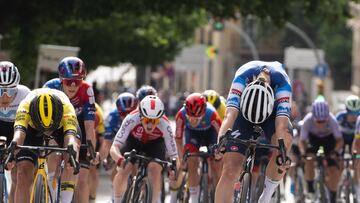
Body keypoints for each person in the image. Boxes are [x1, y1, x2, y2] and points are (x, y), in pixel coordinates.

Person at [215, 61, 293, 203]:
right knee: (230, 169)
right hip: (244, 114)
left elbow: (281, 126)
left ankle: (266, 196)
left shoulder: (283, 85)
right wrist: (220, 142)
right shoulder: (241, 78)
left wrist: (282, 154)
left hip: (271, 114)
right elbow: (229, 116)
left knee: (285, 142)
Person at [7, 88, 80, 203]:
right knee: (22, 173)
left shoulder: (67, 109)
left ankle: (65, 200)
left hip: (59, 127)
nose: (47, 132)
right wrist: (12, 152)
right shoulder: (25, 107)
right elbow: (18, 136)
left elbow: (70, 138)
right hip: (33, 128)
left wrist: (72, 154)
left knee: (71, 157)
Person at [43, 56, 98, 203]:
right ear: (61, 79)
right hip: (53, 125)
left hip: (75, 124)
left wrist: (92, 150)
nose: (73, 85)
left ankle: (65, 200)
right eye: (69, 81)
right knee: (53, 153)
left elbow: (89, 126)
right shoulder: (49, 87)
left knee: (72, 158)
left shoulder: (87, 90)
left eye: (77, 81)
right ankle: (50, 193)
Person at [110, 95, 178, 203]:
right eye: (147, 120)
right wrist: (119, 160)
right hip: (133, 141)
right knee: (124, 169)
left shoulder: (165, 125)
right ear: (141, 116)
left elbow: (174, 156)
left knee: (155, 170)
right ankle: (117, 200)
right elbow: (114, 147)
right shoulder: (132, 118)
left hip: (155, 144)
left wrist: (173, 170)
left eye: (154, 121)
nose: (150, 125)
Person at [171, 92, 222, 203]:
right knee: (191, 161)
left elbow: (221, 138)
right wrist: (181, 158)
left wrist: (219, 153)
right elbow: (178, 140)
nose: (193, 121)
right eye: (190, 118)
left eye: (196, 118)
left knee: (216, 164)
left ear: (203, 113)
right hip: (193, 135)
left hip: (211, 134)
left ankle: (217, 195)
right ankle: (194, 199)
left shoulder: (212, 114)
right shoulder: (181, 115)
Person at [299, 100, 343, 203]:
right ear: (313, 117)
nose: (322, 124)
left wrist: (335, 152)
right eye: (319, 121)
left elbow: (340, 141)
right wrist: (303, 153)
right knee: (309, 159)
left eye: (324, 121)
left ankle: (333, 194)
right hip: (313, 139)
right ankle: (310, 187)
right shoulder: (307, 120)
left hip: (329, 139)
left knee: (334, 170)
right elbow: (302, 141)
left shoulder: (332, 120)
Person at [0, 61, 30, 203]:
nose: (5, 96)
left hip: (17, 128)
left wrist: (13, 155)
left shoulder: (25, 94)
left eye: (10, 91)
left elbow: (27, 128)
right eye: (0, 91)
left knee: (17, 175)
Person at [98, 92, 138, 200]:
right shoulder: (112, 117)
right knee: (119, 167)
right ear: (118, 111)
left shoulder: (139, 116)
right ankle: (115, 196)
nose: (126, 116)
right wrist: (106, 158)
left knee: (137, 167)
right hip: (119, 143)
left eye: (129, 113)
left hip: (135, 141)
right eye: (123, 113)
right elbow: (107, 142)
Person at [89, 103, 105, 200]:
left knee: (93, 171)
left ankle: (92, 198)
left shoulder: (98, 113)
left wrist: (101, 156)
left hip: (95, 138)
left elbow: (102, 140)